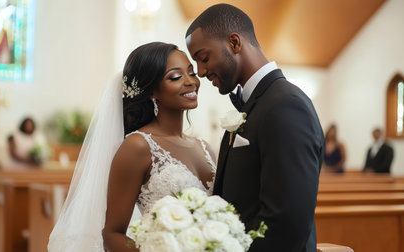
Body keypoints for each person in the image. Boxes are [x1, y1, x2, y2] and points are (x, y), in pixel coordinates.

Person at [48, 42, 216, 251]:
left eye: (191, 73)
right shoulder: (138, 146)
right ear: (152, 91)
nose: (191, 82)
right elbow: (112, 235)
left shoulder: (205, 148)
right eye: (175, 77)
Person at [185, 4, 324, 251]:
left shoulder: (285, 105)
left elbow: (287, 223)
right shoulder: (257, 104)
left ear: (234, 43)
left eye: (204, 58)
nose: (202, 72)